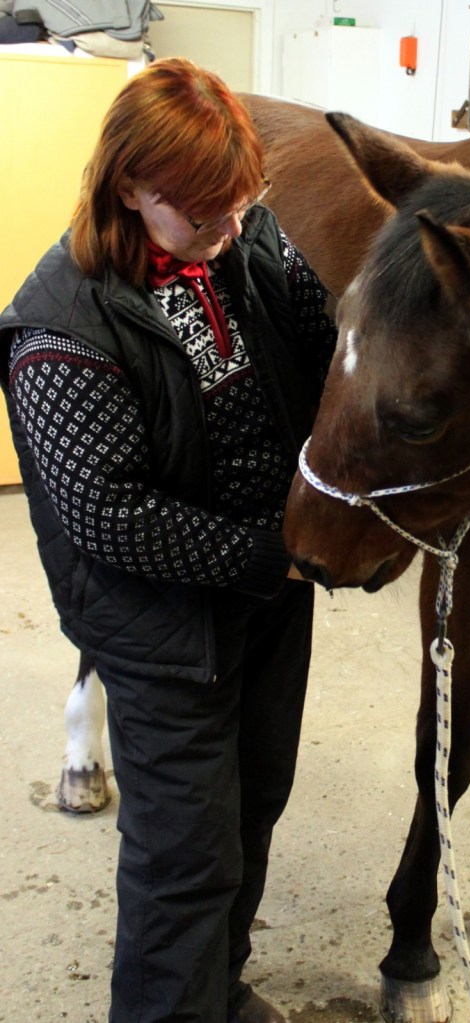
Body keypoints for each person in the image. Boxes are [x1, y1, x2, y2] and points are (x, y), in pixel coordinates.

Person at [0, 58, 338, 1023]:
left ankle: (213, 989)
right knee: (185, 856)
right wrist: (259, 553)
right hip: (162, 628)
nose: (230, 231)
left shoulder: (248, 239)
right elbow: (107, 513)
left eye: (242, 207)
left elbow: (322, 346)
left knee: (253, 806)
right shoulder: (62, 324)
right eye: (205, 215)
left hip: (268, 595)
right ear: (130, 188)